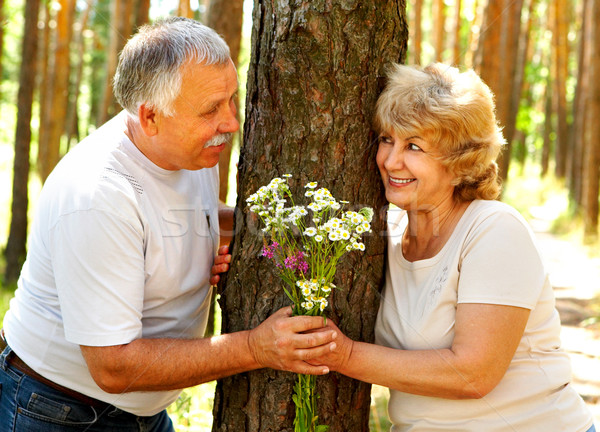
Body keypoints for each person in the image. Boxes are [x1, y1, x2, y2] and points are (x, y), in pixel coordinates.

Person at [0, 17, 336, 431]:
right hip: (58, 410)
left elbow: (183, 213)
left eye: (231, 99)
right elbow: (115, 367)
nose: (230, 122)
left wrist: (221, 236)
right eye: (211, 109)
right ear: (151, 117)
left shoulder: (189, 150)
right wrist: (255, 347)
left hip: (141, 412)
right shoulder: (98, 196)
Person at [310, 63, 594, 431]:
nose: (391, 161)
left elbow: (472, 374)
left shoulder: (494, 230)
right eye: (386, 139)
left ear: (461, 163)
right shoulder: (387, 235)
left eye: (414, 146)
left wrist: (343, 355)